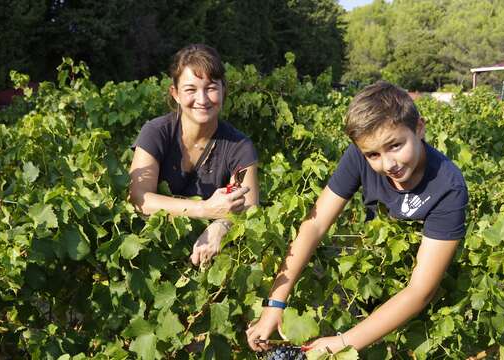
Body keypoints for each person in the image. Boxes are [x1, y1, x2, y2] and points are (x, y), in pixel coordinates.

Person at [246, 81, 467, 353]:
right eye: (373, 154)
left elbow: (420, 291)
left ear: (419, 128)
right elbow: (315, 224)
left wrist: (342, 343)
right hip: (371, 279)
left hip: (422, 305)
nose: (388, 164)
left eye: (395, 146)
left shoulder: (448, 186)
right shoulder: (359, 155)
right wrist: (275, 303)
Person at [129, 44, 259, 267]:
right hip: (150, 256)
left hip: (209, 263)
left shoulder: (240, 147)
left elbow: (248, 207)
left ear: (223, 90)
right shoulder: (156, 132)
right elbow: (138, 197)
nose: (202, 99)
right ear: (175, 94)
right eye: (190, 89)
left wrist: (221, 226)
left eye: (210, 88)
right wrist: (205, 209)